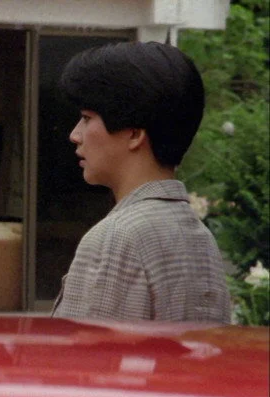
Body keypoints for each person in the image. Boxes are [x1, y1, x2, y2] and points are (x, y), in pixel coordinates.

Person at [51, 41, 231, 322]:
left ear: (134, 134)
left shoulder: (117, 236)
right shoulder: (198, 236)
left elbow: (88, 348)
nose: (75, 134)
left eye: (87, 118)